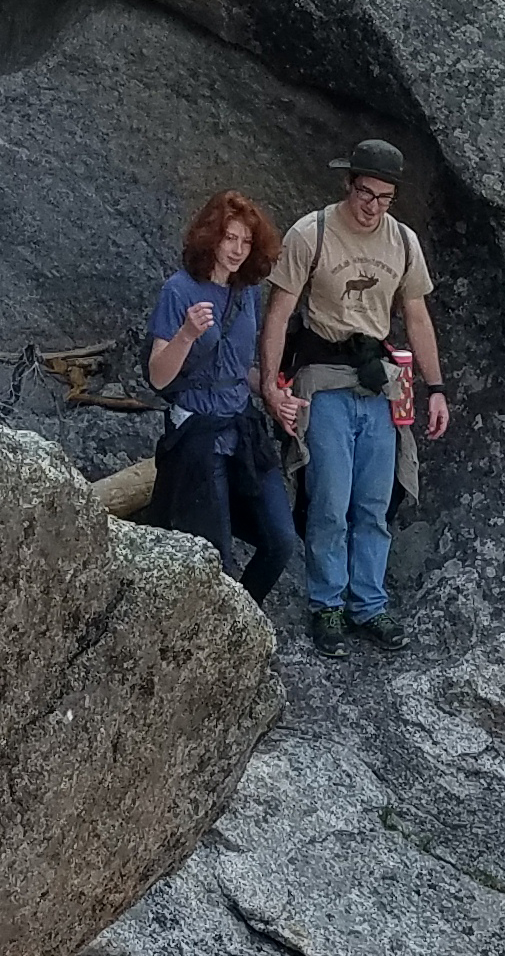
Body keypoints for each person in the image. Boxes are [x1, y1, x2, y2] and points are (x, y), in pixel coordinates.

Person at [261, 137, 452, 655]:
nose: (373, 207)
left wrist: (436, 390)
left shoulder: (403, 242)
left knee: (373, 501)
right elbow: (280, 313)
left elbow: (416, 317)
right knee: (329, 499)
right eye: (365, 193)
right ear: (349, 184)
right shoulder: (312, 233)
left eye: (384, 198)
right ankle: (328, 605)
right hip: (323, 379)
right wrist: (268, 382)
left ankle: (369, 604)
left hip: (378, 382)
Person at [144, 189, 301, 605]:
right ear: (211, 236)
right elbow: (158, 376)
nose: (237, 250)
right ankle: (230, 639)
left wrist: (275, 394)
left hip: (241, 425)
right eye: (230, 238)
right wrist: (187, 335)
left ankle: (240, 624)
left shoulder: (246, 290)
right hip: (197, 432)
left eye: (246, 242)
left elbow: (237, 367)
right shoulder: (179, 290)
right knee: (218, 561)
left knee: (281, 541)